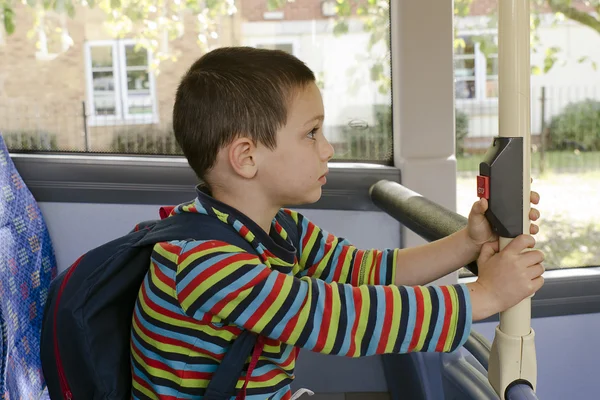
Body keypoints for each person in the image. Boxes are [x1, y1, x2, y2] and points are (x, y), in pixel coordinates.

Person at [130, 47, 544, 400]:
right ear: (247, 157)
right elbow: (338, 318)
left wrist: (468, 242)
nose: (327, 148)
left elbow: (370, 273)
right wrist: (486, 296)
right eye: (311, 133)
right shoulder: (206, 264)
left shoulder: (281, 229)